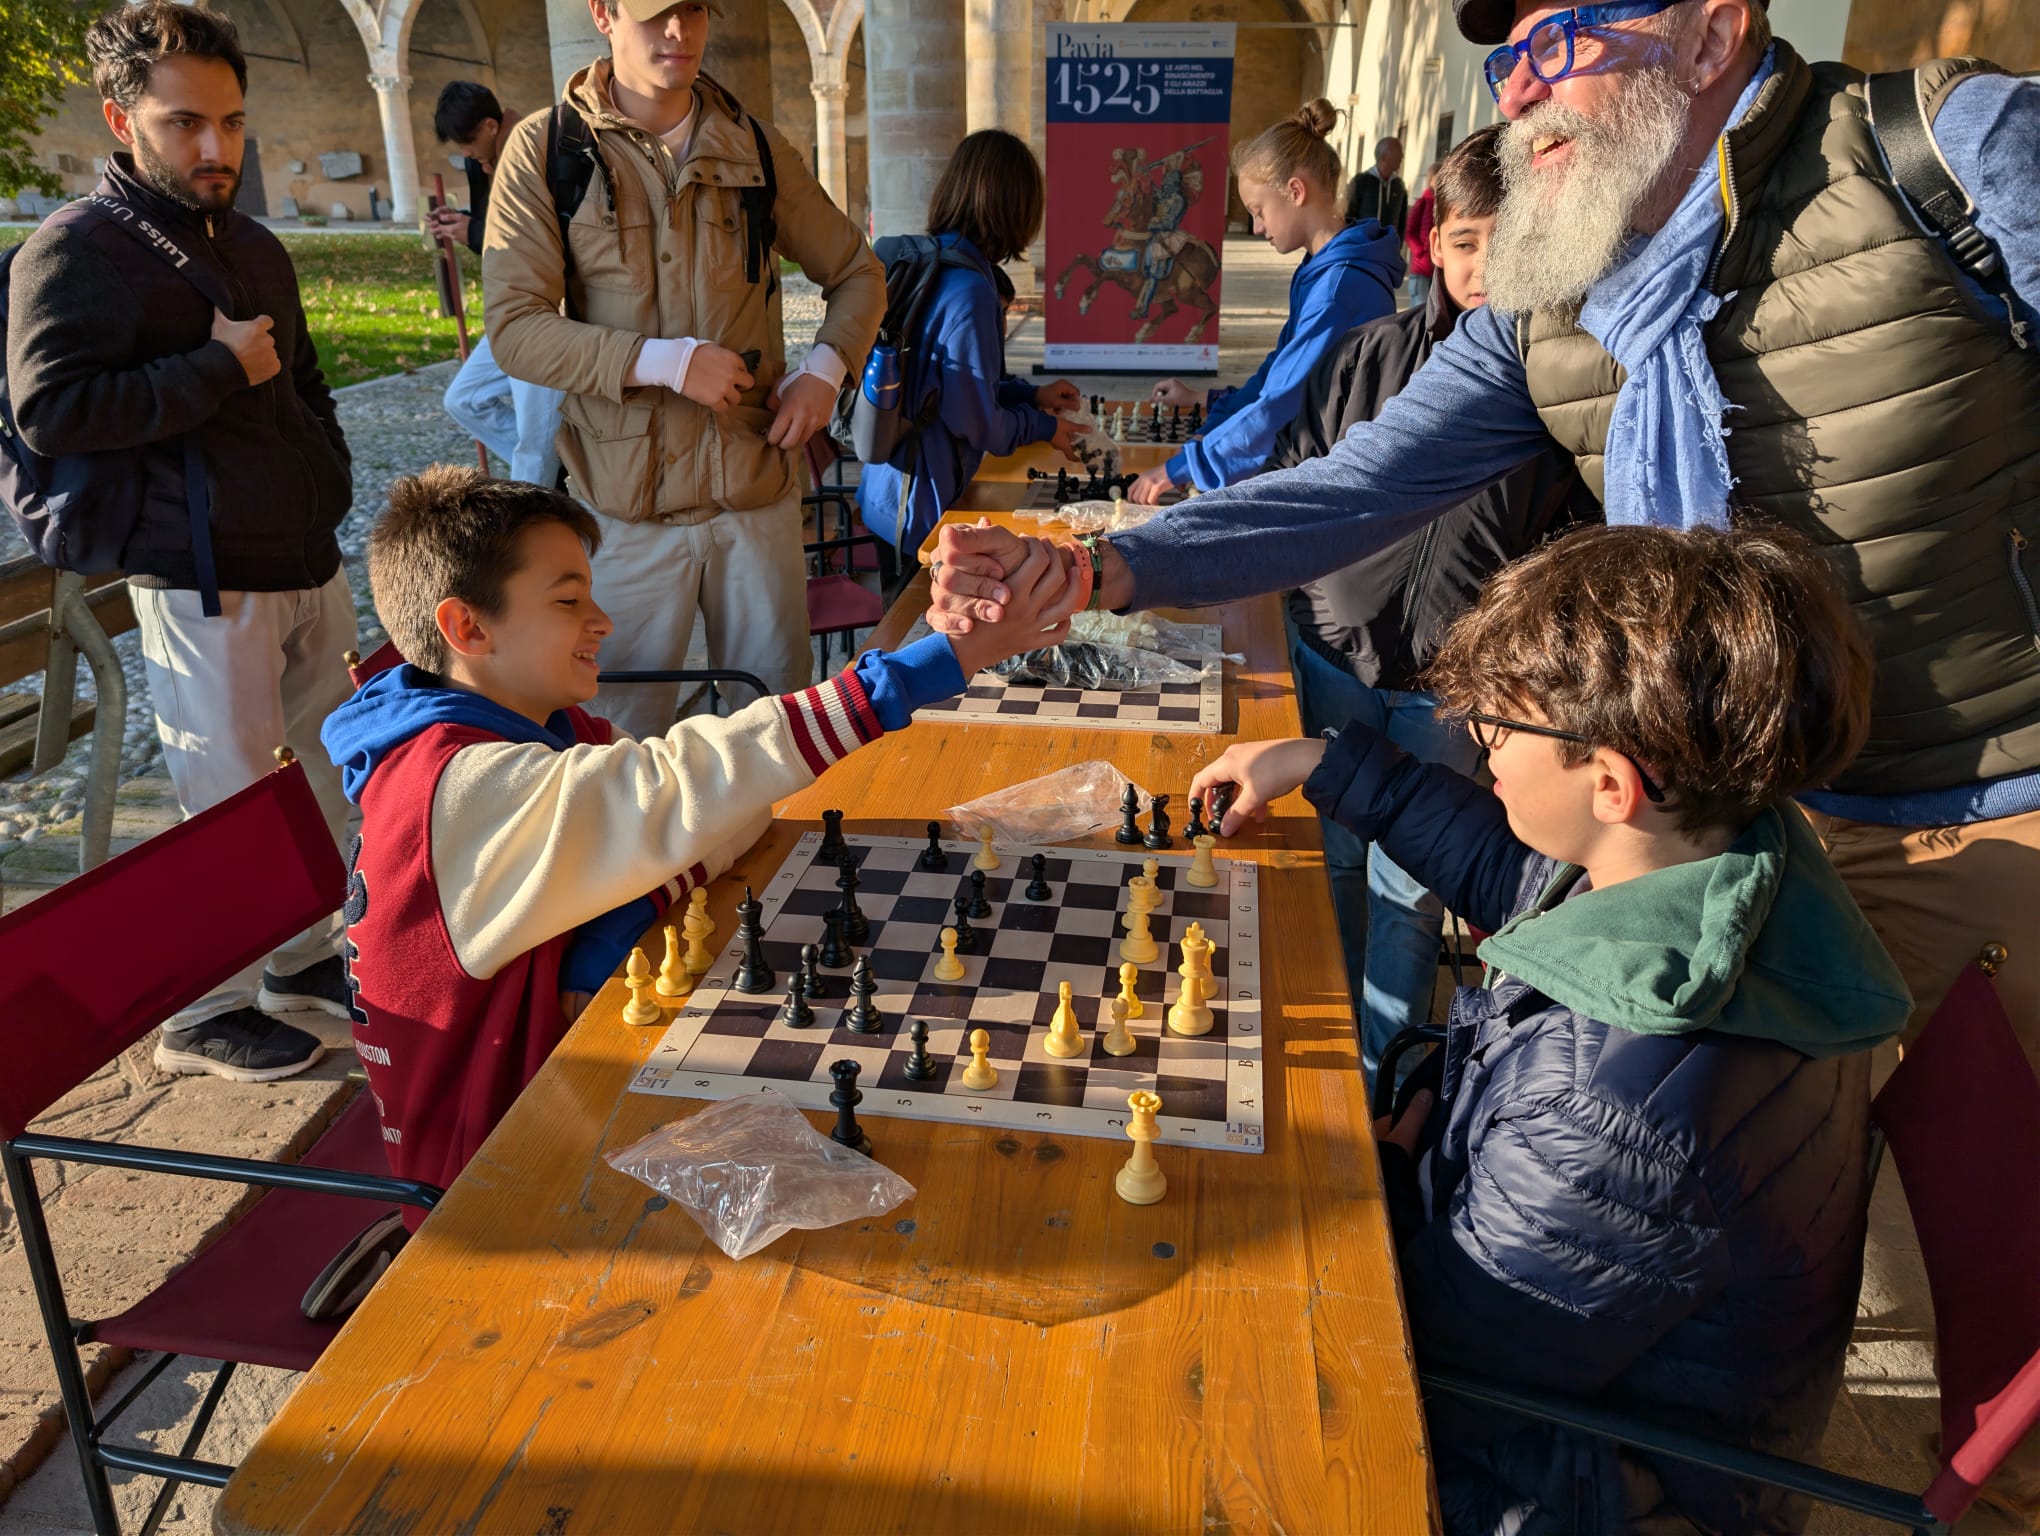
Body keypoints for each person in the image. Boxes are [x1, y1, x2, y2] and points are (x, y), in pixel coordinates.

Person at [930, 0, 2040, 1089]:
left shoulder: (1956, 151)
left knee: (1939, 1249)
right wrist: (1097, 567)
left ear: (1708, 34)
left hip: (1973, 826)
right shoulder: (1551, 299)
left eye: (1557, 42)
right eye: (1510, 56)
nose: (1517, 88)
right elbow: (1353, 488)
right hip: (1694, 832)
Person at [1191, 524, 1910, 1532]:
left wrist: (1389, 1175)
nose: (1479, 742)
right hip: (1592, 1368)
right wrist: (1320, 763)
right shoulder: (1711, 859)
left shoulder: (1609, 1126)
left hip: (1577, 1481)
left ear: (1612, 784)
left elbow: (1414, 1377)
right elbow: (1517, 870)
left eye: (1496, 727)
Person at [323, 464, 1076, 1195]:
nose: (603, 621)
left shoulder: (529, 728)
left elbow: (723, 810)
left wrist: (621, 913)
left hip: (555, 1097)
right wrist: (924, 668)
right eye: (566, 601)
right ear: (466, 627)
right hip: (494, 1185)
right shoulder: (463, 789)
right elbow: (689, 790)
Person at [6, 1, 356, 1081]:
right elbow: (47, 412)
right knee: (232, 804)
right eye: (183, 124)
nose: (215, 148)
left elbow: (298, 379)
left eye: (232, 123)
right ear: (122, 120)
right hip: (196, 578)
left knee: (331, 780)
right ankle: (199, 1014)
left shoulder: (251, 241)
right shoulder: (72, 253)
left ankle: (300, 967)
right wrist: (208, 370)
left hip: (302, 554)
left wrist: (327, 473)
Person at [1264, 124, 1591, 1076]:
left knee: (1409, 888)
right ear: (1432, 243)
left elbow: (1569, 545)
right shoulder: (1368, 357)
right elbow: (1298, 476)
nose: (1483, 268)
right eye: (1463, 243)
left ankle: (1381, 1081)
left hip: (1451, 690)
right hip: (1332, 655)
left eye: (1506, 242)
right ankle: (1329, 1056)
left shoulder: (1560, 387)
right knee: (1330, 865)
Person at [483, 0, 886, 739]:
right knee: (616, 730)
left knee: (774, 727)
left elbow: (859, 271)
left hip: (752, 492)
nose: (679, 32)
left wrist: (826, 369)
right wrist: (664, 362)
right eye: (656, 13)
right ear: (604, 13)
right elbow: (516, 329)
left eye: (694, 10)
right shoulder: (548, 150)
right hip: (624, 509)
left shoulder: (755, 147)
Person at [1134, 101, 1404, 504]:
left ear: (1295, 191)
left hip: (1330, 483)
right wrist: (1210, 411)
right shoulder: (1323, 268)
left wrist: (1181, 468)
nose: (1258, 228)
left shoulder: (1338, 287)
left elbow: (1279, 401)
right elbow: (1275, 374)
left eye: (1259, 212)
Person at [855, 130, 1083, 556]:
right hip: (922, 513)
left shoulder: (929, 263)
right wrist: (1048, 427)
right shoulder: (971, 290)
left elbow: (947, 385)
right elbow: (980, 425)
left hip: (884, 489)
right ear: (1017, 208)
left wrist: (1032, 394)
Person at [428, 81, 564, 488]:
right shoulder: (482, 161)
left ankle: (535, 510)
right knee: (463, 399)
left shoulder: (534, 151)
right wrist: (462, 224)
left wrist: (473, 230)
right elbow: (493, 233)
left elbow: (535, 236)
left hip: (545, 311)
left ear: (491, 125)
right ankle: (557, 469)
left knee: (534, 449)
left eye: (468, 142)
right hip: (510, 308)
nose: (465, 152)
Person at [1343, 134, 1408, 238]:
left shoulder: (1399, 186)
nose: (1402, 156)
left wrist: (1397, 245)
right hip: (1363, 248)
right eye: (1398, 153)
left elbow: (1402, 221)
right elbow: (1348, 216)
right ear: (1384, 157)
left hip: (1388, 249)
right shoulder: (1361, 181)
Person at [1402, 162, 1437, 307]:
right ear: (1432, 179)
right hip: (1421, 267)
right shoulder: (1422, 202)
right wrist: (1420, 251)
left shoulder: (1442, 204)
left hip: (1436, 268)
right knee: (1419, 310)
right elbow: (1409, 232)